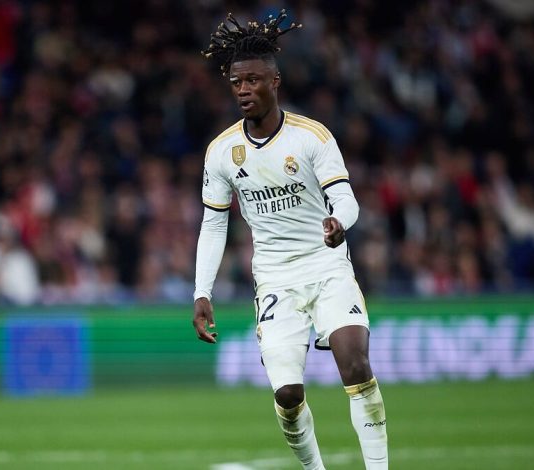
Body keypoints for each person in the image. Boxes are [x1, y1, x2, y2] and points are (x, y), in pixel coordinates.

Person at [192, 11, 388, 469]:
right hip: (275, 278)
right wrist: (202, 291)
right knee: (287, 395)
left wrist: (338, 221)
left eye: (253, 80)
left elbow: (346, 198)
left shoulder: (311, 137)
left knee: (355, 364)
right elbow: (214, 225)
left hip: (326, 264)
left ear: (274, 82)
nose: (243, 90)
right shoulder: (221, 152)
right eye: (236, 83)